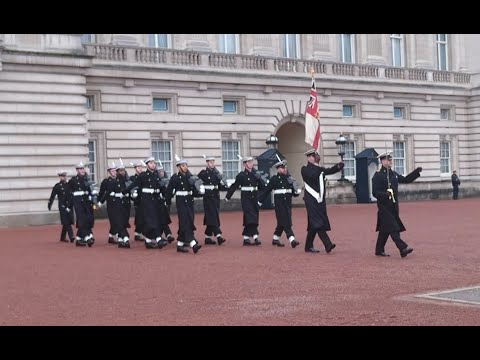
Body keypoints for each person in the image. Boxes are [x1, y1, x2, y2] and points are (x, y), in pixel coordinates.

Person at [372, 152, 422, 258]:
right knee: (393, 228)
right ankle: (403, 248)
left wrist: (416, 172)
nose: (390, 161)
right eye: (387, 160)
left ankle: (379, 249)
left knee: (385, 230)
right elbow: (375, 193)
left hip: (394, 206)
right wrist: (386, 194)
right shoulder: (378, 175)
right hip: (384, 206)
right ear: (382, 161)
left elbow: (406, 180)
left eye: (390, 160)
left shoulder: (393, 174)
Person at [301, 149, 344, 253]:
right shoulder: (305, 169)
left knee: (314, 223)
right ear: (308, 158)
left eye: (315, 155)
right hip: (311, 199)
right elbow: (312, 176)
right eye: (312, 156)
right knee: (317, 222)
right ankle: (327, 244)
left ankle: (308, 246)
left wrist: (339, 166)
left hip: (319, 199)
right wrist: (317, 166)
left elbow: (330, 171)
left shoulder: (319, 169)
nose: (314, 157)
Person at [225, 155, 268, 246]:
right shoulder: (241, 175)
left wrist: (260, 179)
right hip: (246, 199)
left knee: (252, 217)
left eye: (252, 162)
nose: (251, 164)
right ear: (244, 164)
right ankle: (255, 237)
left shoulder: (255, 174)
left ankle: (246, 238)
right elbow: (234, 186)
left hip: (254, 198)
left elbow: (262, 187)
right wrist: (228, 196)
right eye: (249, 163)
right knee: (251, 217)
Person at [257, 159, 300, 248]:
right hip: (279, 205)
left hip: (287, 204)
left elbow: (293, 193)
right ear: (278, 169)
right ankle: (292, 240)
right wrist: (260, 201)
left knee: (281, 223)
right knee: (286, 222)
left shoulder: (289, 179)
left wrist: (296, 192)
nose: (284, 169)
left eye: (284, 167)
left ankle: (275, 239)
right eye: (282, 168)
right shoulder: (274, 179)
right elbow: (266, 191)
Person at [165, 156, 203, 254]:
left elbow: (194, 191)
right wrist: (167, 202)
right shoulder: (175, 178)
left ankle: (180, 245)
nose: (185, 167)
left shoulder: (190, 177)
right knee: (185, 222)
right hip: (181, 202)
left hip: (189, 202)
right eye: (183, 165)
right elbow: (169, 191)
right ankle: (193, 243)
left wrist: (201, 193)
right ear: (178, 167)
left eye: (186, 165)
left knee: (188, 222)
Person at [133, 157, 168, 249]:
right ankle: (158, 239)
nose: (153, 164)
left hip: (156, 200)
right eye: (151, 163)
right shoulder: (143, 175)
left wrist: (167, 196)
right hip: (147, 200)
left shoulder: (157, 175)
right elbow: (135, 185)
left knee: (156, 219)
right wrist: (127, 192)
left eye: (154, 163)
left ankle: (148, 241)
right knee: (152, 220)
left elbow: (162, 187)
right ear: (147, 165)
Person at [197, 155, 227, 245]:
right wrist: (200, 191)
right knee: (213, 215)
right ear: (207, 163)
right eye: (210, 162)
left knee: (212, 216)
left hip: (215, 196)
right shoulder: (203, 173)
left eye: (213, 162)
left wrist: (226, 186)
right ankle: (218, 236)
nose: (212, 164)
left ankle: (207, 237)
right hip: (208, 197)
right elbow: (196, 183)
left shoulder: (216, 173)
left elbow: (220, 186)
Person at [68, 162, 98, 247]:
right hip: (77, 202)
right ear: (77, 170)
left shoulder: (87, 179)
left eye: (83, 168)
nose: (82, 170)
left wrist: (94, 200)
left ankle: (78, 239)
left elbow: (91, 190)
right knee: (82, 220)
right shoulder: (73, 180)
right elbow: (69, 192)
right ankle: (87, 237)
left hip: (86, 201)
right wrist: (69, 204)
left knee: (88, 219)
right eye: (80, 169)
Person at [48, 170, 74, 242]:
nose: (63, 177)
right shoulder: (57, 186)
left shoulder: (69, 185)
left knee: (67, 221)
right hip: (62, 206)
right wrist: (50, 204)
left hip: (69, 205)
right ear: (59, 177)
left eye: (64, 176)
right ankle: (71, 236)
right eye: (62, 176)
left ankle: (62, 237)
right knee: (66, 222)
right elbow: (52, 196)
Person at [97, 163, 120, 245]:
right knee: (114, 220)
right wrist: (99, 202)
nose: (114, 172)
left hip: (118, 202)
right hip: (110, 203)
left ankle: (110, 236)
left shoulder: (118, 180)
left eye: (115, 171)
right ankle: (118, 235)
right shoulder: (106, 181)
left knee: (117, 219)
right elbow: (102, 193)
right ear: (109, 172)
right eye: (112, 171)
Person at [128, 161, 145, 241]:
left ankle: (140, 232)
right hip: (137, 200)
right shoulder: (132, 178)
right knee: (139, 216)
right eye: (138, 167)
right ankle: (137, 233)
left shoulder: (144, 176)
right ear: (135, 169)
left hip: (145, 199)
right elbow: (131, 188)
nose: (140, 169)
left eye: (141, 167)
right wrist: (133, 197)